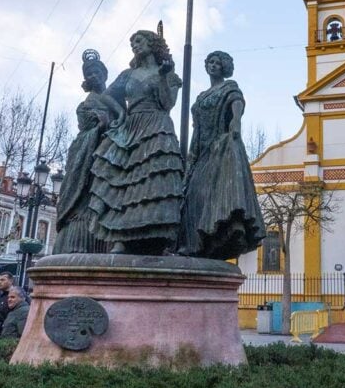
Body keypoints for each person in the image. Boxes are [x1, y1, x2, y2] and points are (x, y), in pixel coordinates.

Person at [88, 27, 184, 255]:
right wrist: (121, 113)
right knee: (126, 180)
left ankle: (159, 237)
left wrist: (162, 76)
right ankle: (121, 238)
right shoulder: (127, 75)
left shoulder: (169, 74)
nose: (135, 46)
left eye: (139, 41)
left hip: (158, 124)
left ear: (152, 44)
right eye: (133, 44)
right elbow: (107, 95)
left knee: (157, 181)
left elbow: (168, 103)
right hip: (132, 126)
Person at [179, 51, 265, 259]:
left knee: (215, 194)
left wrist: (236, 120)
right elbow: (197, 126)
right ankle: (194, 244)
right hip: (201, 150)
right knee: (193, 194)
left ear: (224, 67)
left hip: (221, 147)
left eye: (218, 63)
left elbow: (237, 101)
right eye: (210, 62)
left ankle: (213, 238)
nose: (213, 66)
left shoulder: (229, 86)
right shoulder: (201, 96)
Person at [54, 50, 123, 254]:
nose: (92, 76)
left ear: (104, 74)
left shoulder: (116, 98)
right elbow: (87, 128)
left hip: (112, 154)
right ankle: (80, 241)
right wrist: (100, 127)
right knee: (84, 198)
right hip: (88, 154)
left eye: (96, 72)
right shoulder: (84, 105)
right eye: (88, 74)